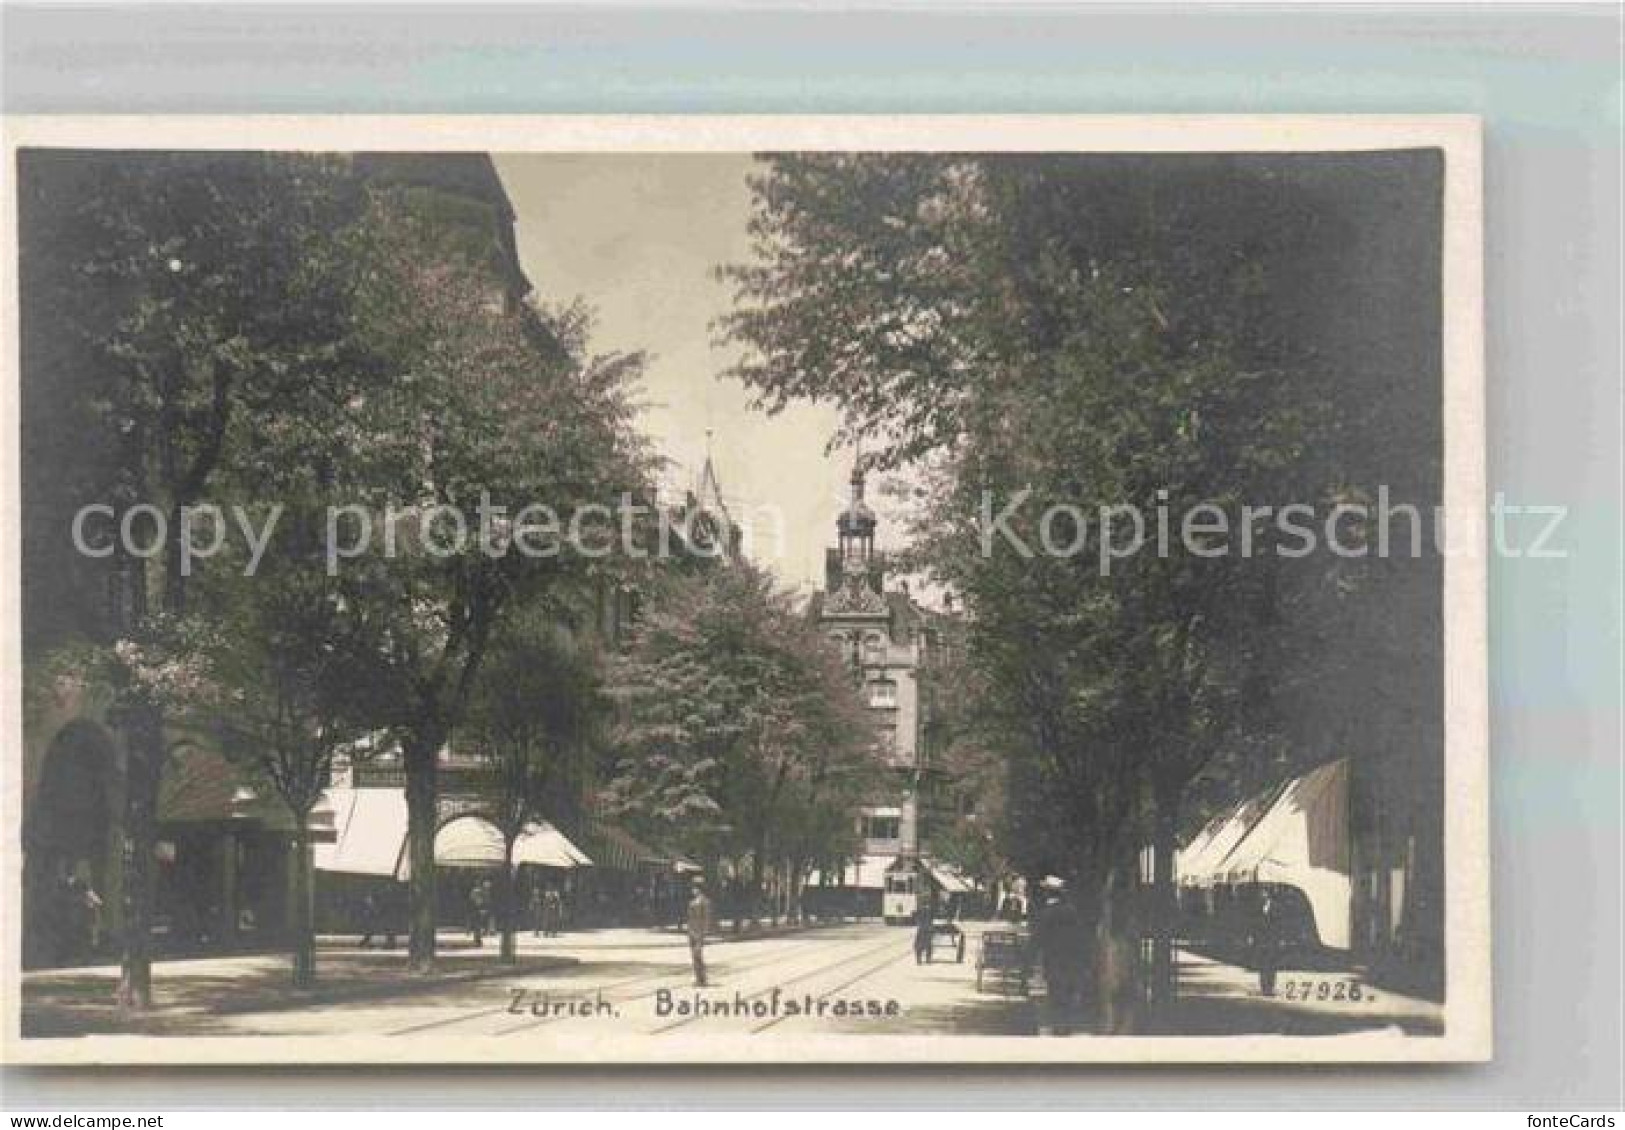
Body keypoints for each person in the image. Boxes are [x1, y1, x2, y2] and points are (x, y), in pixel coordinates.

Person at [1253, 887, 1282, 997]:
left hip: (1272, 940)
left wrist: (1280, 939)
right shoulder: (1258, 906)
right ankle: (1264, 987)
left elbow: (1279, 925)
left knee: (1271, 964)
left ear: (1268, 894)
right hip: (1262, 940)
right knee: (1263, 964)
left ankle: (1270, 987)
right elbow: (1256, 924)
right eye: (1261, 893)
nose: (1262, 895)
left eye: (1264, 893)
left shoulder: (1276, 907)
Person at [685, 877, 713, 987]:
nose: (693, 890)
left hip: (699, 932)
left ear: (699, 889)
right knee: (694, 955)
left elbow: (706, 918)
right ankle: (699, 978)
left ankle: (702, 978)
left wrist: (703, 933)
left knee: (698, 955)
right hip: (692, 931)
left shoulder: (705, 902)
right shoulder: (693, 901)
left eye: (694, 888)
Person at [913, 890, 936, 965]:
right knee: (928, 944)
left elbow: (915, 915)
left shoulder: (920, 909)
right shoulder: (930, 909)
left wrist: (917, 919)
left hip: (922, 928)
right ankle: (927, 959)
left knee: (918, 944)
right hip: (928, 928)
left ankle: (919, 960)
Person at [468, 879, 490, 947]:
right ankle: (478, 940)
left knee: (479, 926)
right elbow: (477, 901)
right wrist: (481, 908)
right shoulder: (477, 891)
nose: (488, 886)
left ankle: (478, 939)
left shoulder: (483, 891)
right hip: (478, 910)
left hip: (480, 909)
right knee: (478, 926)